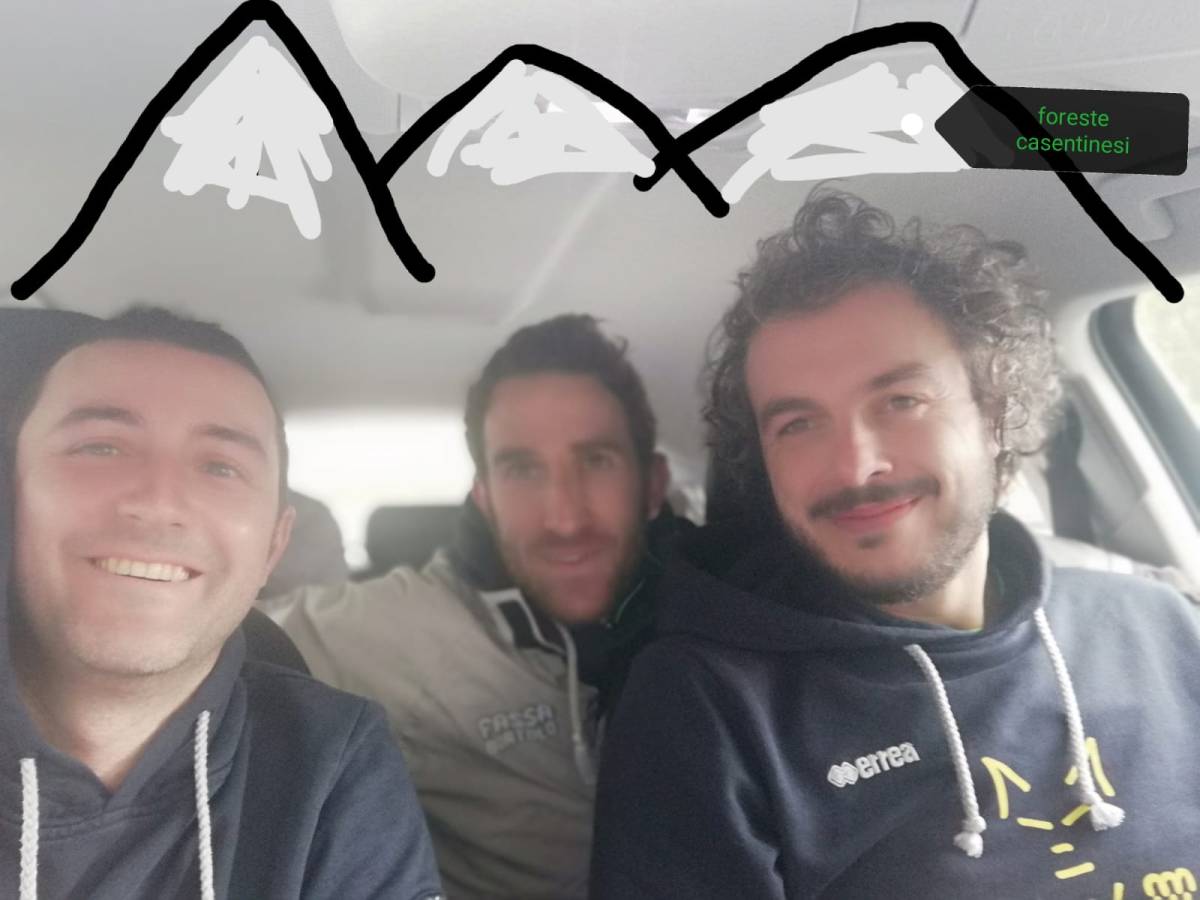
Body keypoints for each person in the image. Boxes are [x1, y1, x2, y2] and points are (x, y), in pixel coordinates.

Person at [590, 189, 1200, 898]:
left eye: (901, 401)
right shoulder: (708, 707)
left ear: (995, 412)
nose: (855, 466)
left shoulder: (1163, 627)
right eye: (798, 425)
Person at [0, 307, 441, 900]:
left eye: (220, 466)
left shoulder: (329, 759)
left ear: (273, 548)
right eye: (100, 447)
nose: (158, 501)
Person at [270, 314, 685, 900]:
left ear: (653, 484)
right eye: (522, 470)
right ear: (484, 498)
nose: (565, 518)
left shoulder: (719, 620)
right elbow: (212, 635)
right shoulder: (399, 631)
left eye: (596, 460)